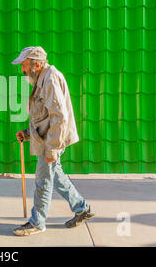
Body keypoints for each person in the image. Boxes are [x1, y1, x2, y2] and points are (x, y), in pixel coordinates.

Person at [11, 46, 95, 236]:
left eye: (24, 66)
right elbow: (45, 117)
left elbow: (59, 118)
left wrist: (51, 150)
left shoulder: (50, 79)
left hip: (52, 142)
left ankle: (37, 222)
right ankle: (82, 209)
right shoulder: (41, 78)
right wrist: (28, 132)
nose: (22, 70)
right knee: (56, 176)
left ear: (37, 64)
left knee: (43, 182)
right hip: (48, 139)